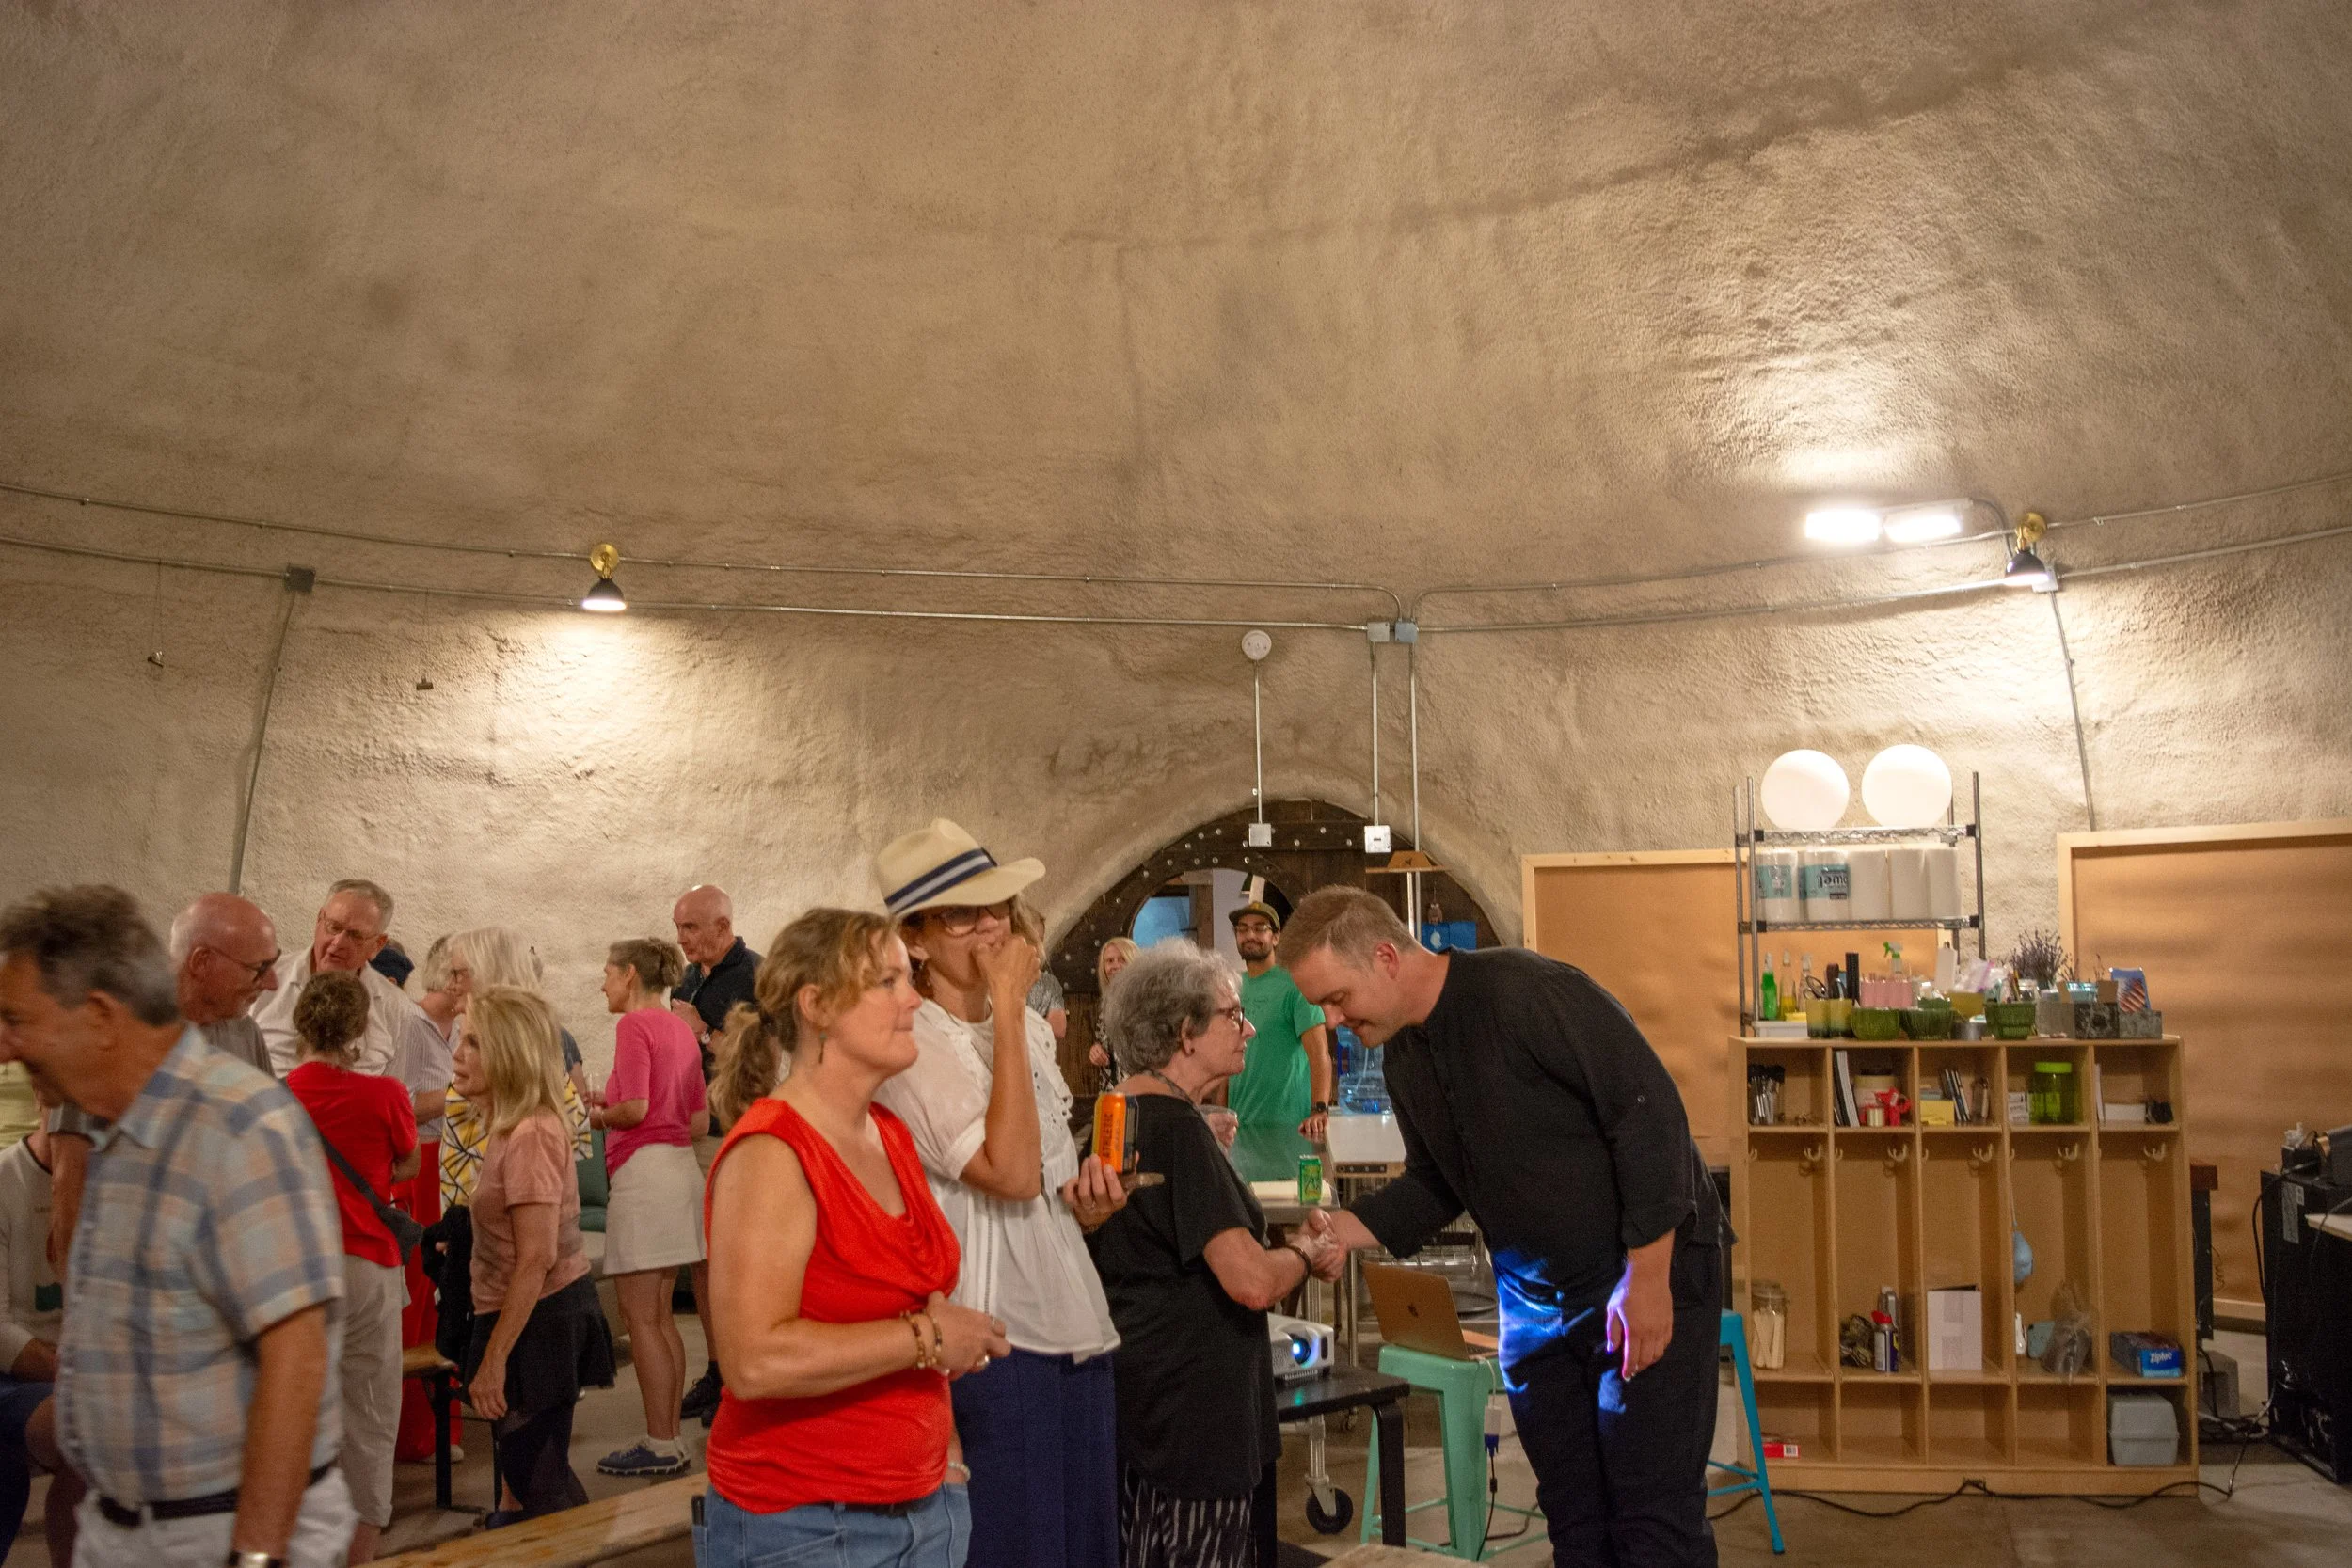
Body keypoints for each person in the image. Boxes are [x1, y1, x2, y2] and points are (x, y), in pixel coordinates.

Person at [1281, 888, 1730, 1568]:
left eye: (1339, 997)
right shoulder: (1405, 1057)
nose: (1334, 1020)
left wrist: (1648, 1276)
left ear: (1384, 956)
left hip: (1636, 1277)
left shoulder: (1529, 992)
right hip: (1534, 1303)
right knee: (1575, 1519)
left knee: (1652, 1518)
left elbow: (1646, 1112)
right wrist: (1343, 1229)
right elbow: (1438, 1180)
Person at [0, 885, 356, 1568]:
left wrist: (255, 1557)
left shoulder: (239, 1126)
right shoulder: (114, 1132)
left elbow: (295, 1359)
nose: (9, 1045)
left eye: (24, 1020)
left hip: (213, 1535)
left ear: (99, 1016)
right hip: (127, 1526)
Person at [699, 907, 1007, 1568]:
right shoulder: (774, 1150)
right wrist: (926, 1338)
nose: (913, 999)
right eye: (889, 981)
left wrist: (946, 1463)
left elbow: (913, 1308)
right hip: (807, 1522)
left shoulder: (888, 1132)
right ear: (817, 1005)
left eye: (909, 978)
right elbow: (753, 1361)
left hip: (924, 1506)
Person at [871, 819, 1120, 1568]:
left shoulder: (1031, 1037)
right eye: (962, 913)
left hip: (1071, 1309)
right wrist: (1010, 1009)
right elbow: (1005, 1173)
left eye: (999, 906)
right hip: (991, 1334)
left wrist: (1087, 1203)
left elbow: (1037, 1181)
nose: (990, 926)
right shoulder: (911, 1046)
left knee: (1083, 1542)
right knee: (1019, 1545)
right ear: (914, 939)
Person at [1075, 941, 1331, 1568]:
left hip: (1140, 1403)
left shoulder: (1117, 1116)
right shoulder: (1180, 1131)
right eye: (1231, 1013)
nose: (1247, 1028)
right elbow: (1249, 1280)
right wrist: (1306, 1249)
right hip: (1196, 1418)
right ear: (1186, 1032)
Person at [454, 986, 615, 1523]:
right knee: (530, 1481)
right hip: (520, 1313)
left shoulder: (531, 1134)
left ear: (508, 1052)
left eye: (474, 1042)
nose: (458, 1053)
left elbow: (536, 1257)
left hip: (540, 1319)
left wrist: (494, 1362)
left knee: (540, 1483)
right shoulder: (509, 1126)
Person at [283, 971, 420, 1564]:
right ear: (361, 1028)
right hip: (367, 1262)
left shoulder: (275, 1093)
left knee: (291, 1418)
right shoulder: (386, 1094)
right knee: (368, 1417)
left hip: (296, 1271)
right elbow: (408, 1164)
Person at [587, 938, 708, 1479]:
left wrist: (596, 1115)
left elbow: (634, 1108)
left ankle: (660, 1442)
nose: (604, 983)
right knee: (661, 1319)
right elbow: (700, 1121)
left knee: (642, 1320)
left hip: (644, 1177)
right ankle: (671, 1438)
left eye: (608, 973)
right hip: (682, 1170)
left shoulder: (633, 1026)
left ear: (630, 974)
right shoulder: (681, 1027)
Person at [668, 884, 757, 1424]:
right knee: (704, 1260)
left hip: (738, 1133)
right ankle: (719, 1367)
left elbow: (765, 1056)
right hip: (693, 1130)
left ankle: (747, 1372)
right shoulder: (687, 977)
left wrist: (702, 1032)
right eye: (679, 928)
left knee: (737, 1260)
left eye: (692, 928)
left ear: (724, 926)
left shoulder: (756, 976)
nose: (682, 939)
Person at [0, 1085, 86, 1567]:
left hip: (72, 1376)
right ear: (40, 1099)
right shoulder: (5, 1180)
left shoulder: (107, 1187)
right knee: (84, 1427)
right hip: (15, 1377)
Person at [251, 879, 444, 1082]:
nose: (338, 942)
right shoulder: (263, 981)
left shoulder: (396, 1009)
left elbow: (396, 1090)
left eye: (355, 935)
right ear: (319, 920)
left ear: (377, 945)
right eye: (334, 927)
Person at [1222, 902, 1334, 1140]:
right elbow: (1225, 1062)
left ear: (1275, 938)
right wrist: (1221, 1114)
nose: (1250, 935)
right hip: (1239, 1129)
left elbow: (1320, 1054)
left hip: (1289, 1129)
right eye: (1242, 929)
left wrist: (1319, 1109)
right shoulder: (1231, 987)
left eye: (1260, 928)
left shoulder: (1295, 984)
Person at [170, 893, 284, 1076]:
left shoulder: (246, 1033)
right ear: (202, 962)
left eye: (273, 963)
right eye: (261, 967)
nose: (272, 983)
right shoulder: (136, 1030)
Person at [1083, 938, 1137, 1091]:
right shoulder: (1106, 1004)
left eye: (1122, 959)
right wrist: (1097, 1051)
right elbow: (1104, 1043)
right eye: (1110, 961)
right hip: (1111, 1092)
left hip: (1139, 1093)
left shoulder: (1146, 1002)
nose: (1115, 966)